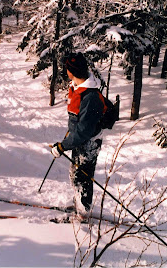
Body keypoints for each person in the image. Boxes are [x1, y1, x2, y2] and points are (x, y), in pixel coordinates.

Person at [51, 52, 106, 217]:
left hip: (89, 142)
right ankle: (79, 204)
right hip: (81, 140)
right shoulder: (78, 88)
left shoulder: (90, 97)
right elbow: (77, 122)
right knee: (75, 174)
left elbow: (84, 130)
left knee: (82, 177)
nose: (65, 71)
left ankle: (83, 213)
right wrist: (68, 139)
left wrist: (63, 146)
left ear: (72, 71)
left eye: (67, 68)